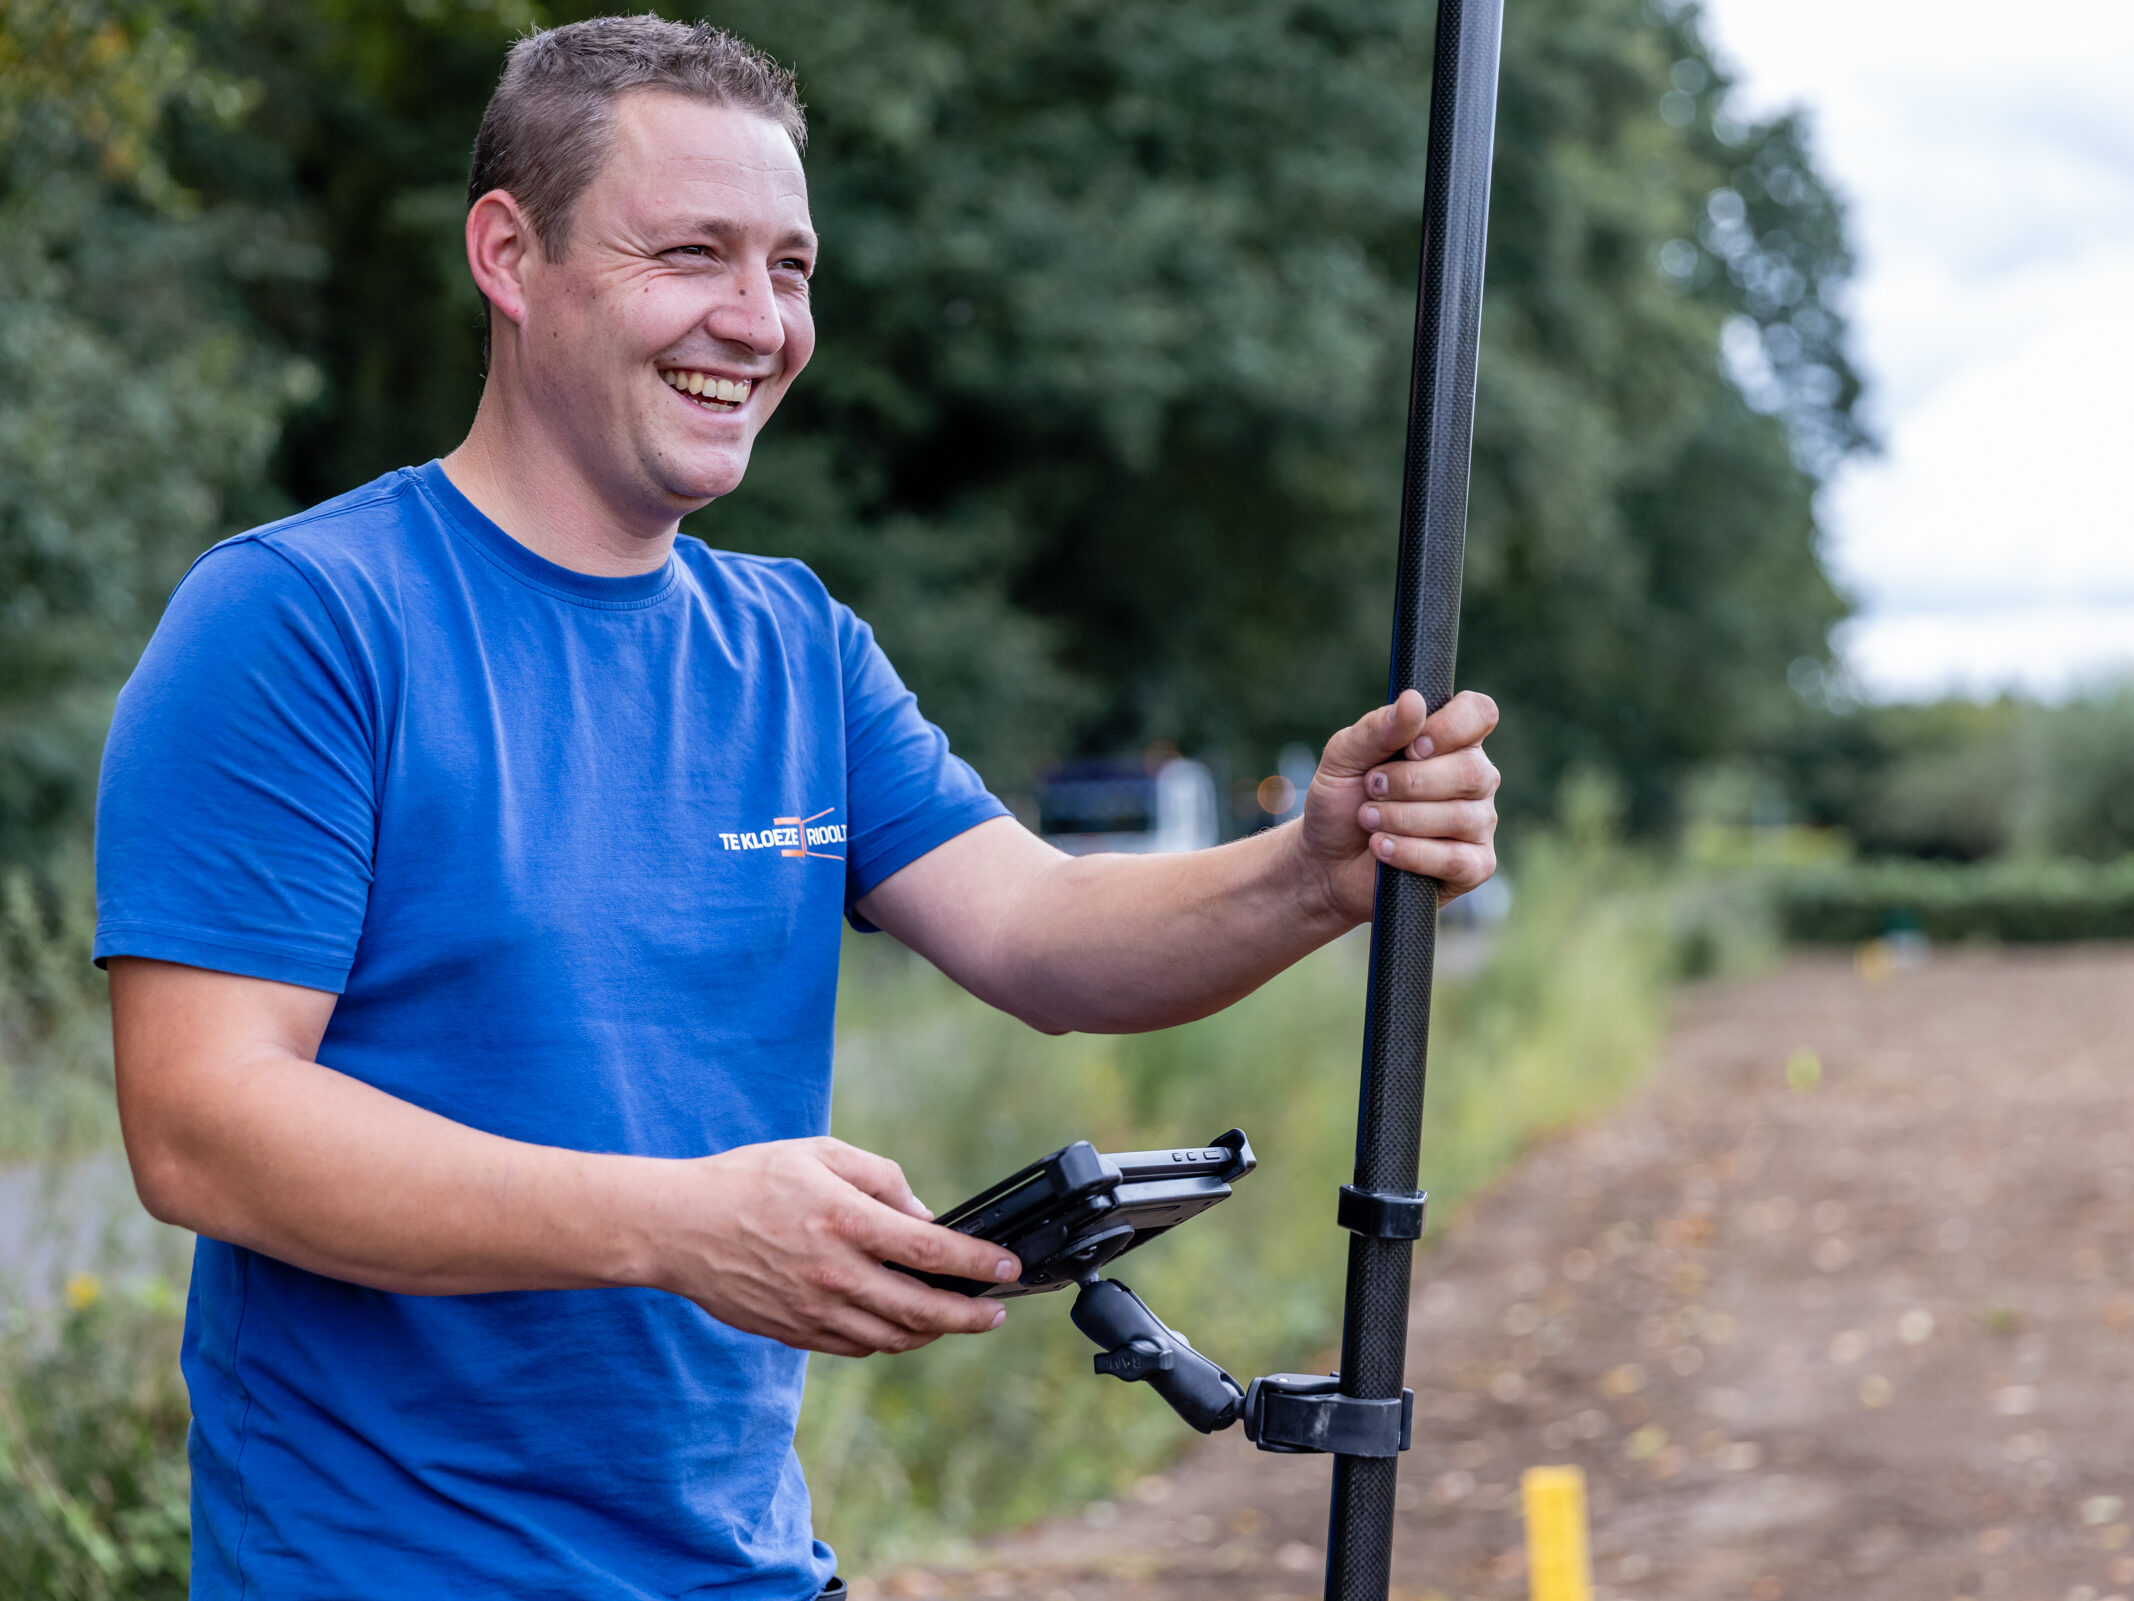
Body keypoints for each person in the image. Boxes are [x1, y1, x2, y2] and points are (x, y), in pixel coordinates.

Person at [95, 16, 1501, 1600]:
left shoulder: (791, 642)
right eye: (692, 252)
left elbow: (1042, 934)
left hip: (747, 1569)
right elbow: (203, 1124)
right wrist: (678, 1224)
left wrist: (1316, 867)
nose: (755, 322)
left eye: (792, 266)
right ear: (509, 251)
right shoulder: (300, 619)